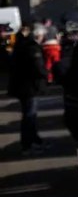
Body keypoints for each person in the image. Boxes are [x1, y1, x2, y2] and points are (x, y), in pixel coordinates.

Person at [7, 23, 48, 153]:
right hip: (29, 86)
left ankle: (34, 139)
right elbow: (38, 67)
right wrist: (46, 74)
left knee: (29, 115)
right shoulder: (32, 48)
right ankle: (28, 144)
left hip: (22, 85)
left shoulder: (22, 45)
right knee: (30, 115)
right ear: (39, 35)